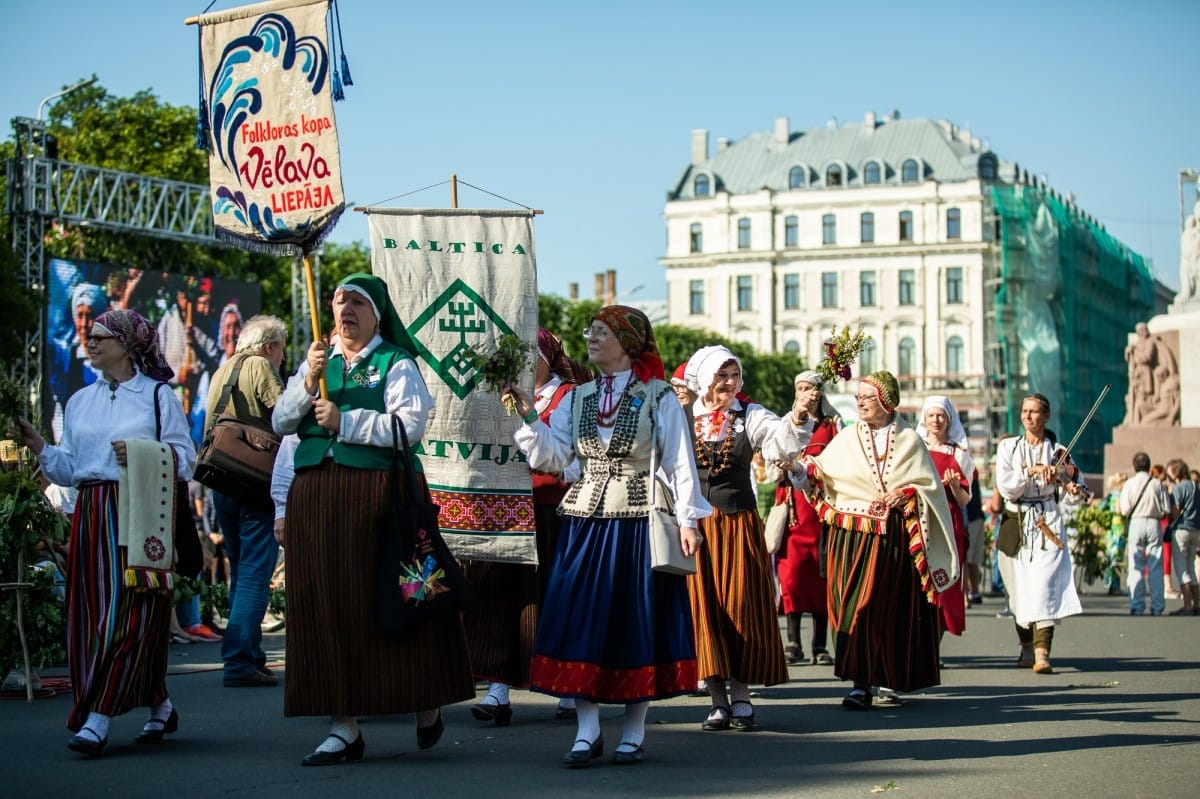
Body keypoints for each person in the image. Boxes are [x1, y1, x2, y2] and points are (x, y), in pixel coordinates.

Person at [272, 273, 475, 765]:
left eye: (357, 302)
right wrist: (304, 381)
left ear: (376, 314)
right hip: (318, 498)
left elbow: (410, 425)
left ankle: (423, 698)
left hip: (376, 497)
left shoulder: (395, 362)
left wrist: (348, 421)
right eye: (340, 301)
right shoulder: (317, 362)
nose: (345, 309)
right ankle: (344, 724)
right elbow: (281, 423)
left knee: (389, 600)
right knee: (328, 605)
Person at [503, 305, 709, 767]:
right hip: (583, 520)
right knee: (579, 619)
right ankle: (588, 729)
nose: (591, 339)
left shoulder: (660, 397)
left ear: (627, 342)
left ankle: (633, 731)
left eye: (600, 332)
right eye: (589, 331)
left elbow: (679, 461)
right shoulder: (578, 397)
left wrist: (690, 521)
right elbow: (557, 457)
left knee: (635, 622)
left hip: (638, 520)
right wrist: (528, 417)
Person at [17, 309, 195, 756]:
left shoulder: (157, 396)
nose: (90, 342)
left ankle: (96, 717)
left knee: (131, 615)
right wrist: (39, 446)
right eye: (89, 336)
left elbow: (185, 460)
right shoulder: (79, 401)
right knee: (92, 616)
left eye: (100, 336)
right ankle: (160, 704)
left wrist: (139, 452)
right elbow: (71, 469)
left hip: (141, 511)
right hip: (92, 515)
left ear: (127, 343)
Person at [774, 371, 957, 710]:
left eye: (866, 398)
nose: (859, 403)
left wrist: (907, 493)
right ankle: (860, 682)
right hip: (854, 537)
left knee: (890, 609)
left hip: (895, 541)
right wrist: (797, 470)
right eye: (857, 397)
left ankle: (888, 677)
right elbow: (821, 473)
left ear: (886, 402)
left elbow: (928, 488)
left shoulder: (910, 441)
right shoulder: (846, 438)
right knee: (856, 607)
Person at [463, 328, 588, 726]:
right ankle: (498, 690)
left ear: (546, 359)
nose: (520, 364)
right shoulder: (494, 397)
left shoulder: (567, 397)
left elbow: (568, 460)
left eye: (527, 355)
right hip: (503, 509)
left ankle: (567, 687)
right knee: (501, 596)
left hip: (550, 511)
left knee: (553, 597)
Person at [683, 345, 789, 732]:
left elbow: (780, 439)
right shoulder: (682, 418)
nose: (730, 383)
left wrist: (799, 418)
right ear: (706, 379)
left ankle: (741, 694)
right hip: (696, 528)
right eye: (723, 376)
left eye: (735, 376)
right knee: (705, 609)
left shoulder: (751, 416)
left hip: (739, 521)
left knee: (741, 605)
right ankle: (717, 699)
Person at [204, 315, 287, 688]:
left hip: (222, 479)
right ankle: (239, 660)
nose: (282, 358)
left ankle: (249, 655)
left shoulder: (223, 371)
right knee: (256, 568)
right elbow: (285, 416)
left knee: (240, 567)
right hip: (254, 480)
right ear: (270, 346)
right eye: (282, 350)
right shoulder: (259, 366)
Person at [994, 393, 1086, 674]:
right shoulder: (1008, 447)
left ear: (1046, 416)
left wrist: (1069, 486)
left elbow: (1077, 490)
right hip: (1016, 523)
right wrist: (1032, 471)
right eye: (1025, 411)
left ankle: (1042, 653)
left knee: (1043, 586)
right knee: (1017, 592)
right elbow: (1008, 486)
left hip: (1046, 523)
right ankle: (1026, 646)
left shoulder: (1058, 451)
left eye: (1034, 412)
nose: (1028, 416)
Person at [773, 371, 840, 667]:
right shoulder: (785, 424)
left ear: (819, 393)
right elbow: (770, 457)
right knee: (792, 576)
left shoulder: (831, 426)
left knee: (820, 575)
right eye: (800, 388)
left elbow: (841, 463)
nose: (805, 393)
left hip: (820, 509)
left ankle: (820, 645)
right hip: (793, 510)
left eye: (810, 388)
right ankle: (793, 642)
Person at [917, 395, 974, 639]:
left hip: (947, 522)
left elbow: (964, 500)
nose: (936, 420)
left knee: (944, 582)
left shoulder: (959, 454)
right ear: (924, 418)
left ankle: (934, 644)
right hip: (918, 520)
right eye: (931, 415)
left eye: (941, 415)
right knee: (917, 582)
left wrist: (953, 486)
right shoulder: (914, 449)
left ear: (949, 419)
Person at [1119, 452, 1173, 616]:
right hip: (1154, 523)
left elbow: (1124, 509)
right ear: (1149, 466)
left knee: (1136, 565)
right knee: (1156, 565)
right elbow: (1167, 509)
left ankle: (1137, 604)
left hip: (1136, 522)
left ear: (1134, 466)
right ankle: (1157, 606)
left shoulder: (1129, 483)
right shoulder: (1157, 484)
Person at [1164, 459, 1199, 614]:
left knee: (1181, 569)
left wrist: (1169, 517)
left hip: (1181, 530)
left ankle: (1187, 605)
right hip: (1196, 530)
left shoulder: (1178, 489)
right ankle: (1197, 604)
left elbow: (1175, 511)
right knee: (1192, 568)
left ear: (1176, 472)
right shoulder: (1195, 486)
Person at [1101, 473, 1129, 595]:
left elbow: (1100, 508)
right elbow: (1121, 511)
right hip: (1119, 530)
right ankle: (1115, 586)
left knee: (1111, 559)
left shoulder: (1110, 495)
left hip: (1110, 532)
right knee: (1117, 559)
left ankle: (1110, 584)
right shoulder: (1120, 496)